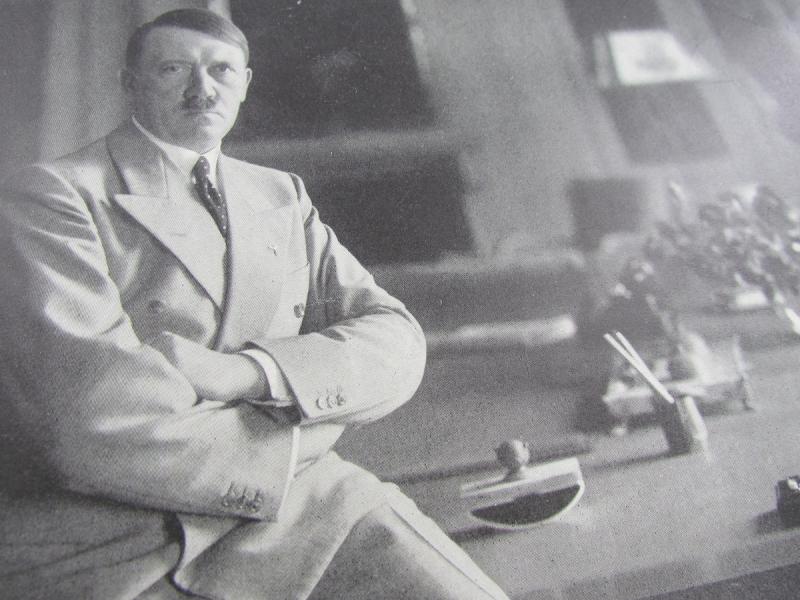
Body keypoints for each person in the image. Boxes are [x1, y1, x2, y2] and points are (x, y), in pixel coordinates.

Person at [0, 8, 508, 600]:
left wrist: (250, 371)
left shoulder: (277, 192)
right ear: (129, 81)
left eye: (221, 70)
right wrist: (308, 427)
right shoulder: (55, 196)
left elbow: (395, 339)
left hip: (317, 505)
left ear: (245, 83)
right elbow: (93, 426)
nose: (202, 89)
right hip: (128, 538)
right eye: (172, 69)